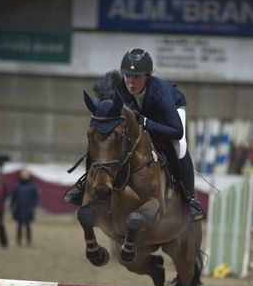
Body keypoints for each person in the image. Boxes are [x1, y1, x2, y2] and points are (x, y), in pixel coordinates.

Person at [65, 48, 204, 221]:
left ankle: (190, 199)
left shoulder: (160, 92)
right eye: (127, 76)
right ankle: (84, 184)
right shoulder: (118, 89)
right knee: (103, 138)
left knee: (180, 146)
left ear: (148, 76)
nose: (131, 82)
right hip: (138, 120)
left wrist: (146, 123)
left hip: (167, 117)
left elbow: (176, 131)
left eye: (136, 76)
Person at [10, 169, 39, 246]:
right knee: (19, 225)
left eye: (26, 174)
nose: (24, 176)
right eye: (23, 174)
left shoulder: (33, 185)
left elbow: (36, 197)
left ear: (29, 176)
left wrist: (33, 206)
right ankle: (18, 241)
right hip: (19, 208)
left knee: (28, 225)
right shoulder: (17, 185)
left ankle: (28, 242)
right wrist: (12, 205)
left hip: (28, 208)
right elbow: (13, 196)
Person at [0, 169, 9, 247]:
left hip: (0, 207)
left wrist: (0, 201)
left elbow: (6, 194)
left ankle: (4, 243)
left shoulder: (3, 183)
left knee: (0, 225)